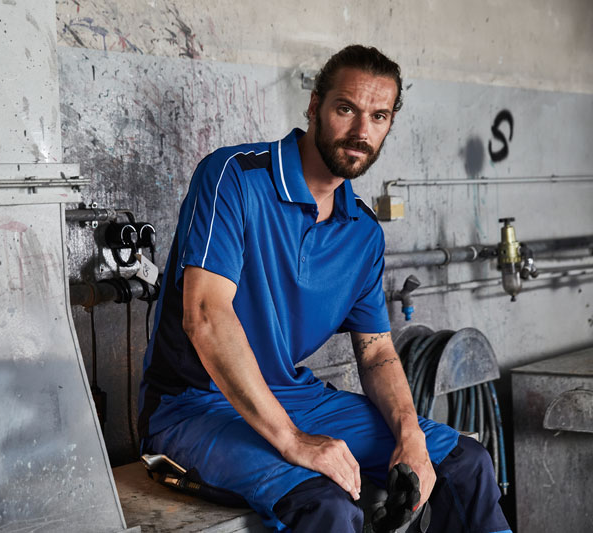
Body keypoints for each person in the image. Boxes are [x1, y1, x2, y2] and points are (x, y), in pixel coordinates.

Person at [138, 44, 511, 532]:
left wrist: (410, 434)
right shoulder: (235, 177)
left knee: (465, 464)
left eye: (378, 116)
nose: (361, 131)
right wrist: (293, 441)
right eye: (346, 109)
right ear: (315, 106)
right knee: (326, 504)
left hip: (297, 398)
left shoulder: (364, 232)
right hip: (193, 406)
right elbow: (205, 315)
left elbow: (376, 353)